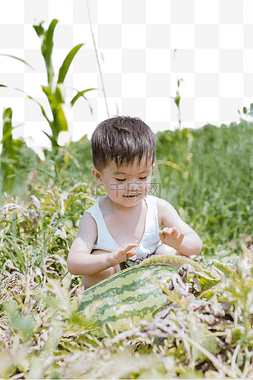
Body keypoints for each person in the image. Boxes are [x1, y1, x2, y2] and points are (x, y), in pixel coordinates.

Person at [67, 116, 202, 289]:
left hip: (154, 287)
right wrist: (107, 260)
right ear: (99, 177)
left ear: (151, 170)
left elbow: (195, 243)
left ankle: (171, 302)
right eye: (121, 179)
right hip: (113, 291)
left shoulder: (158, 208)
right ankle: (101, 311)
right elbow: (74, 262)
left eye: (142, 177)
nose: (133, 186)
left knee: (170, 254)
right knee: (99, 267)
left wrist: (179, 244)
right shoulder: (93, 218)